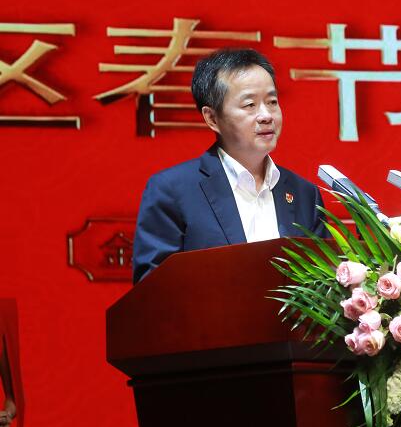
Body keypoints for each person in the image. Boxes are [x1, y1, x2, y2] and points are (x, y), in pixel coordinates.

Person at [132, 48, 328, 283]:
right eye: (250, 105)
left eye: (272, 102)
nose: (266, 115)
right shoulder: (173, 190)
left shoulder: (304, 194)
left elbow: (325, 285)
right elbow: (153, 287)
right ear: (212, 118)